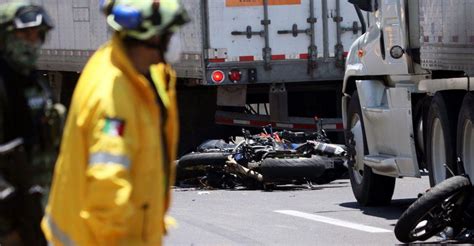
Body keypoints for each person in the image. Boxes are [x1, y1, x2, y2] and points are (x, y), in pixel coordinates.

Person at [42, 0, 189, 245]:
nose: (174, 40)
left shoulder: (135, 72)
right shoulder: (113, 97)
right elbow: (107, 185)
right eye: (169, 33)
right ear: (149, 37)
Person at [0, 1, 61, 245]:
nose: (32, 41)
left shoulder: (33, 81)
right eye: (24, 34)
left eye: (37, 34)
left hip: (36, 211)